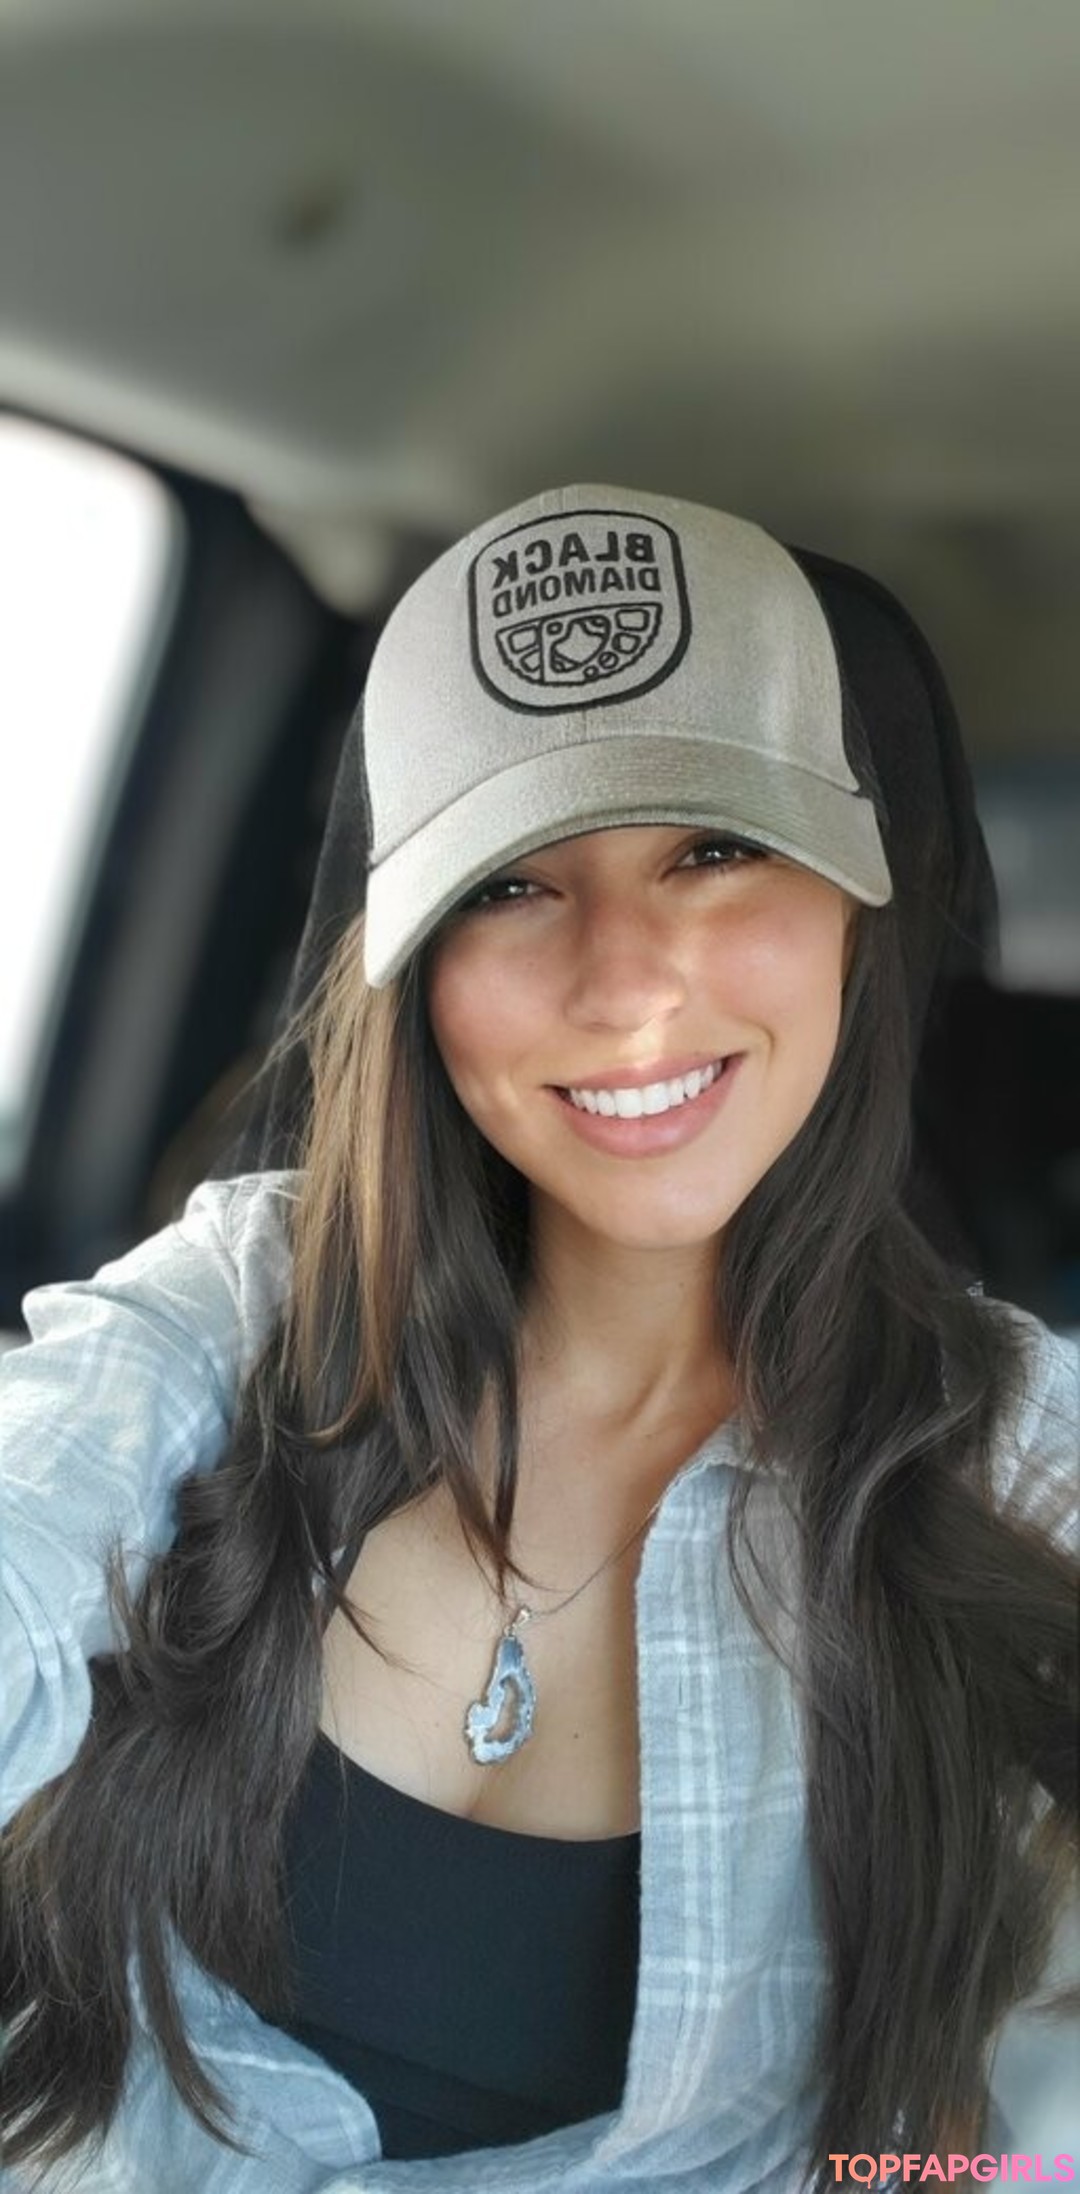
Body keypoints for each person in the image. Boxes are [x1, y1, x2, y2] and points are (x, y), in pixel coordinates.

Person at [1, 485, 1076, 2194]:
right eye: (512, 883)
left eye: (716, 849)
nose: (627, 984)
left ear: (861, 899)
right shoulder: (241, 1307)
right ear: (412, 961)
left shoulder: (1021, 1460)